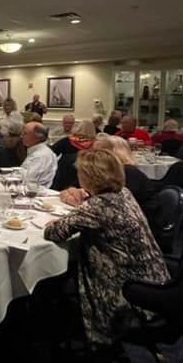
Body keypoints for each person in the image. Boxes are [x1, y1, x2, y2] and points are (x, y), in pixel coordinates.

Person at [44, 148, 169, 346]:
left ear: (88, 177)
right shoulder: (124, 194)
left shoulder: (97, 207)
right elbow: (96, 208)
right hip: (156, 287)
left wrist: (54, 223)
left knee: (51, 286)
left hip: (130, 297)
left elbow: (54, 232)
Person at [21, 122, 58, 190]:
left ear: (37, 137)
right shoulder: (36, 151)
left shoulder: (41, 156)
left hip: (36, 193)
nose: (21, 136)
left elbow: (28, 180)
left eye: (25, 133)